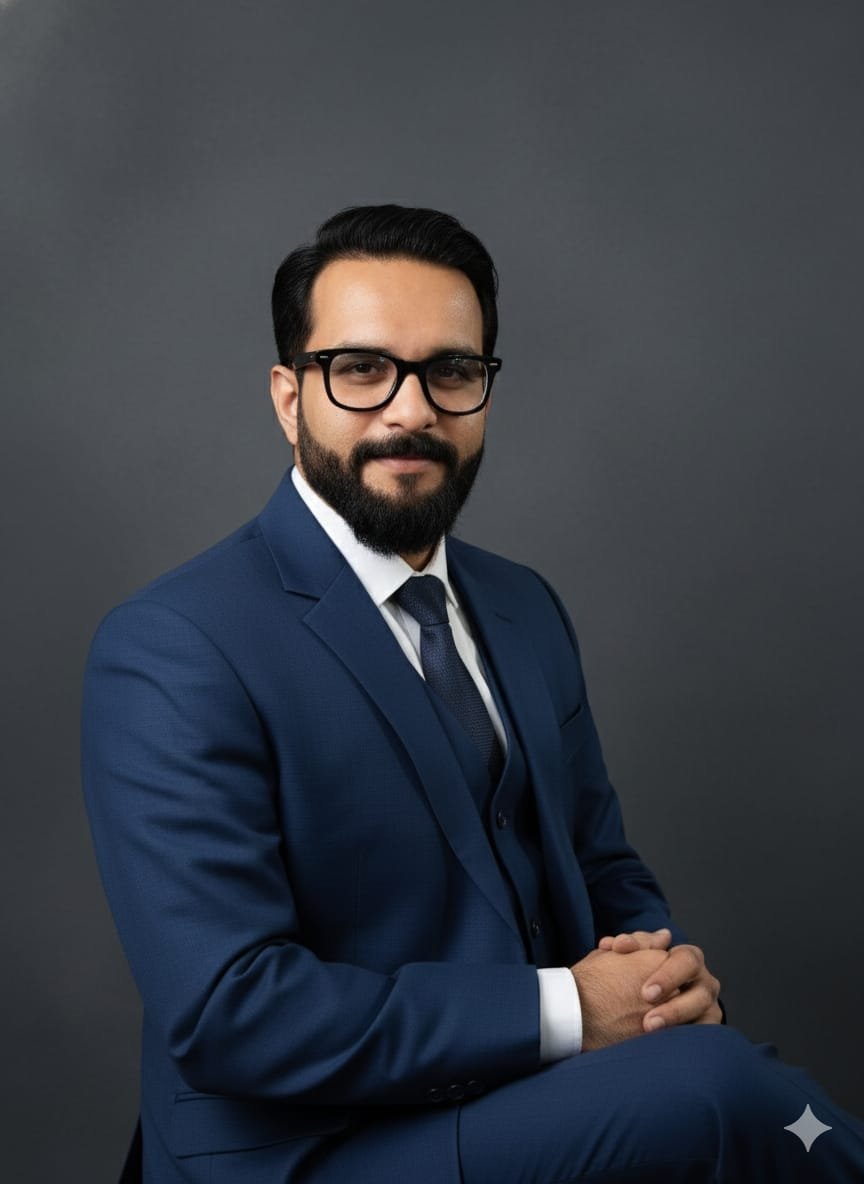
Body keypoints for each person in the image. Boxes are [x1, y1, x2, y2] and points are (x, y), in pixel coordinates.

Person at [81, 204, 864, 1184]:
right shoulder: (174, 644)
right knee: (729, 1093)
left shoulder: (524, 605)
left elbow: (600, 862)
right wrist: (573, 1009)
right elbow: (231, 1011)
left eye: (450, 370)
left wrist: (657, 982)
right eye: (361, 368)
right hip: (311, 1152)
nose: (410, 409)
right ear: (289, 397)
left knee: (726, 1081)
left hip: (524, 1104)